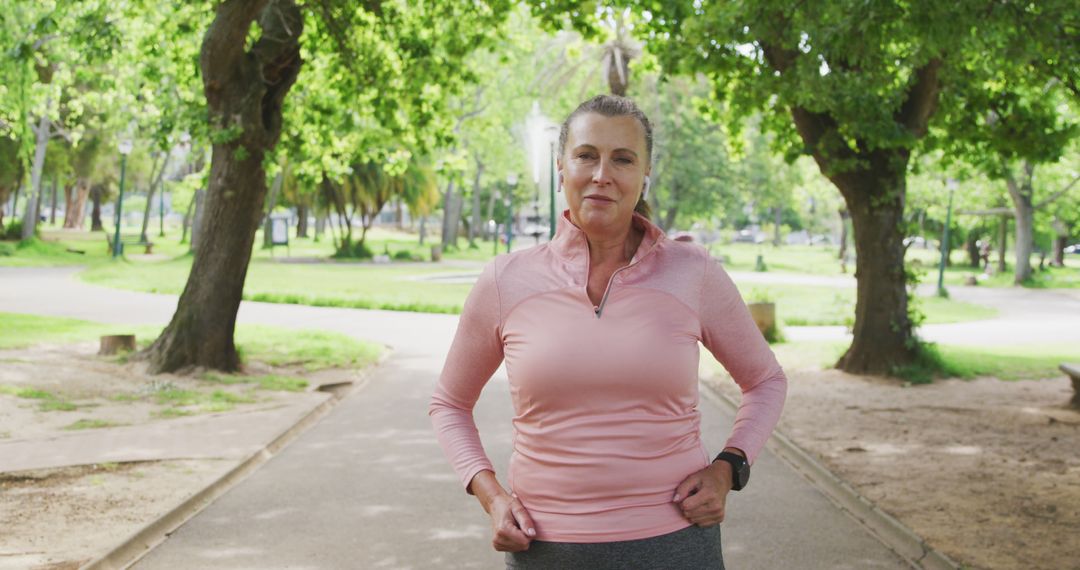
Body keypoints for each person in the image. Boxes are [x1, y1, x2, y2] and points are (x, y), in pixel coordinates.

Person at [429, 94, 788, 569]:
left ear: (644, 176)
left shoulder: (692, 271)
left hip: (676, 545)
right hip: (547, 549)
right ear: (561, 169)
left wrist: (730, 467)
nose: (602, 174)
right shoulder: (506, 280)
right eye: (586, 156)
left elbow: (765, 381)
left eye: (622, 159)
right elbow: (449, 404)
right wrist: (491, 496)